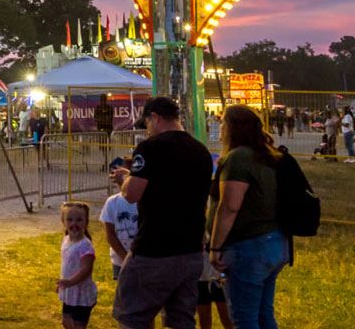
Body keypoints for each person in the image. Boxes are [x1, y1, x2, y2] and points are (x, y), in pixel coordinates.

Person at [110, 97, 213, 329]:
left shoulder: (150, 147)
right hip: (191, 250)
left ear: (155, 117)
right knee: (181, 319)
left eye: (146, 123)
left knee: (132, 315)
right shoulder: (201, 151)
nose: (147, 130)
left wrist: (123, 178)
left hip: (154, 249)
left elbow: (132, 194)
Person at [207, 106, 288, 329]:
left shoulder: (238, 158)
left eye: (223, 123)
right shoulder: (266, 154)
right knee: (263, 314)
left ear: (232, 128)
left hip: (249, 246)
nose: (220, 127)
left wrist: (215, 247)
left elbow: (230, 206)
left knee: (244, 319)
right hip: (273, 241)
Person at [58, 201, 97, 329]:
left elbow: (86, 270)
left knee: (78, 325)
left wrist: (69, 282)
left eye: (79, 220)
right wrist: (63, 284)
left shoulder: (85, 245)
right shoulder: (66, 240)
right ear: (63, 221)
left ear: (86, 223)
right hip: (69, 292)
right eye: (69, 219)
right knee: (66, 321)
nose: (74, 223)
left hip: (81, 294)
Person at [100, 177, 138, 280]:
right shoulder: (112, 202)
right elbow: (110, 235)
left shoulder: (143, 201)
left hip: (143, 260)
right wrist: (126, 258)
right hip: (120, 260)